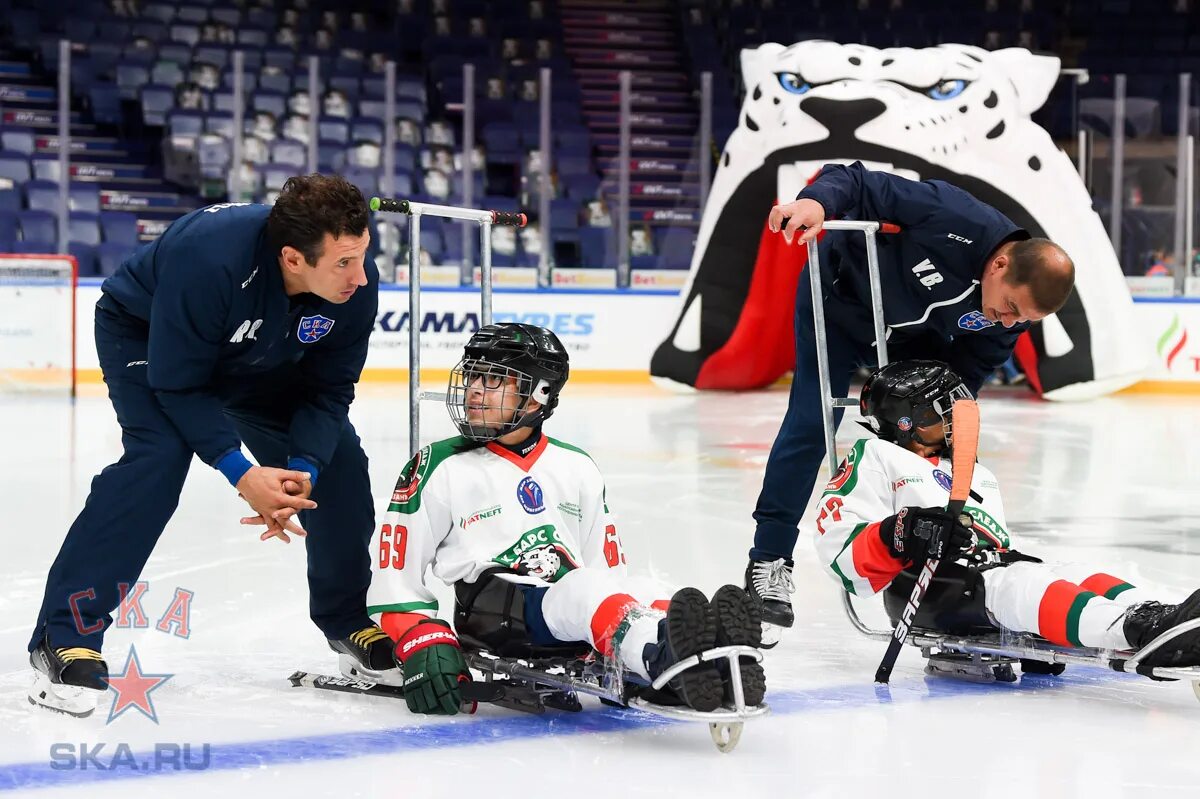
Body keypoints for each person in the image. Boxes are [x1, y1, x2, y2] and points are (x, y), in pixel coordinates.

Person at [29, 175, 397, 717]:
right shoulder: (209, 258)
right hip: (147, 337)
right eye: (344, 262)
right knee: (157, 458)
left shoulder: (353, 288)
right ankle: (62, 637)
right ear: (293, 259)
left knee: (339, 461)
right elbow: (180, 385)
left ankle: (347, 622)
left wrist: (302, 469)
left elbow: (329, 389)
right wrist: (244, 474)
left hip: (259, 362)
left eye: (363, 256)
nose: (360, 276)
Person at [747, 161, 1077, 642]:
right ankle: (769, 560)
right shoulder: (956, 217)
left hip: (912, 340)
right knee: (812, 421)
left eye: (1020, 320)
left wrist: (940, 428)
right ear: (1000, 265)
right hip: (841, 302)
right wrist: (818, 202)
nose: (1008, 322)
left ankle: (946, 567)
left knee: (939, 435)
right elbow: (857, 180)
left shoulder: (1009, 315)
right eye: (1008, 308)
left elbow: (972, 374)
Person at [367, 323, 766, 715]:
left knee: (651, 588)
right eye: (472, 376)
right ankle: (660, 661)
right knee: (582, 590)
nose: (473, 390)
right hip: (495, 613)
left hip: (565, 605)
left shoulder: (576, 465)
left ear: (538, 396)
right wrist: (422, 636)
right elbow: (395, 579)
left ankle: (713, 661)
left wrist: (632, 606)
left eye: (492, 379)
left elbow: (608, 572)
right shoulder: (439, 465)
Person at [814, 360, 1200, 668]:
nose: (953, 421)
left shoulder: (972, 470)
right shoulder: (877, 455)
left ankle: (1162, 616)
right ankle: (1134, 629)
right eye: (940, 412)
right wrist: (903, 530)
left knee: (1068, 571)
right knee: (1018, 582)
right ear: (905, 421)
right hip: (923, 587)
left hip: (975, 580)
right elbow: (838, 545)